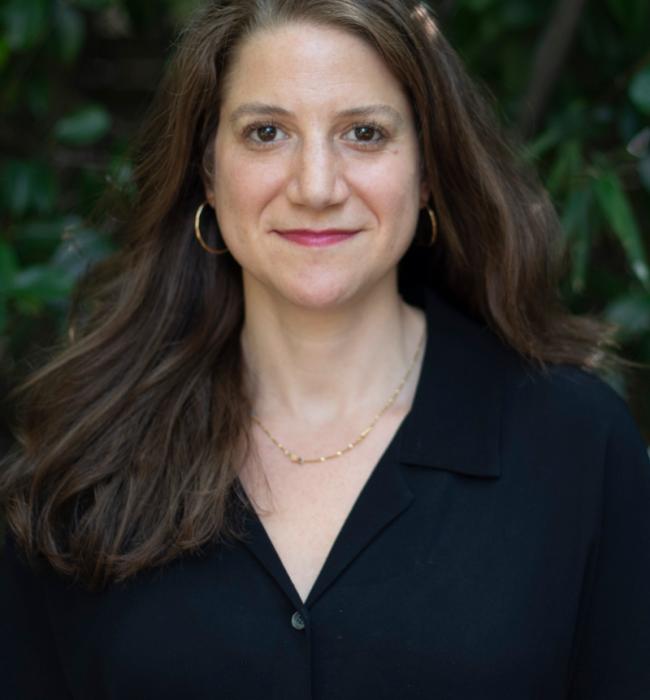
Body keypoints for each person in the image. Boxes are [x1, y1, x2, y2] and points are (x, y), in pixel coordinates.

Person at [1, 0, 649, 697]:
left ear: (428, 171)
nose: (316, 186)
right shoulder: (81, 460)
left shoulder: (576, 447)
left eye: (364, 133)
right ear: (209, 174)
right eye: (267, 132)